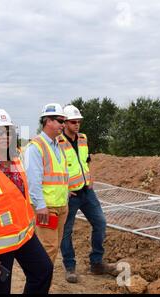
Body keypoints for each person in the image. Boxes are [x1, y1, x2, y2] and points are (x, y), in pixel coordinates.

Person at [0, 108, 53, 294]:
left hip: (25, 235)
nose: (4, 136)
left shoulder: (17, 157)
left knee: (43, 271)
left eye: (8, 130)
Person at [58, 105, 117, 283]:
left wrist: (91, 178)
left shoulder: (83, 138)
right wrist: (64, 189)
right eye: (73, 122)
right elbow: (54, 167)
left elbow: (87, 160)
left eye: (79, 122)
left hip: (87, 192)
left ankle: (96, 263)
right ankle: (70, 267)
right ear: (65, 123)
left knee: (100, 223)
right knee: (66, 232)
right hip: (71, 195)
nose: (77, 125)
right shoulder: (57, 142)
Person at [23, 103, 69, 264]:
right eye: (59, 120)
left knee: (53, 248)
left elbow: (61, 174)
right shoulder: (35, 147)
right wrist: (41, 205)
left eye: (64, 121)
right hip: (46, 208)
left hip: (61, 205)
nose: (63, 124)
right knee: (48, 248)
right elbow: (33, 180)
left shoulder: (58, 145)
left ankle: (42, 281)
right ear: (47, 121)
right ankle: (40, 283)